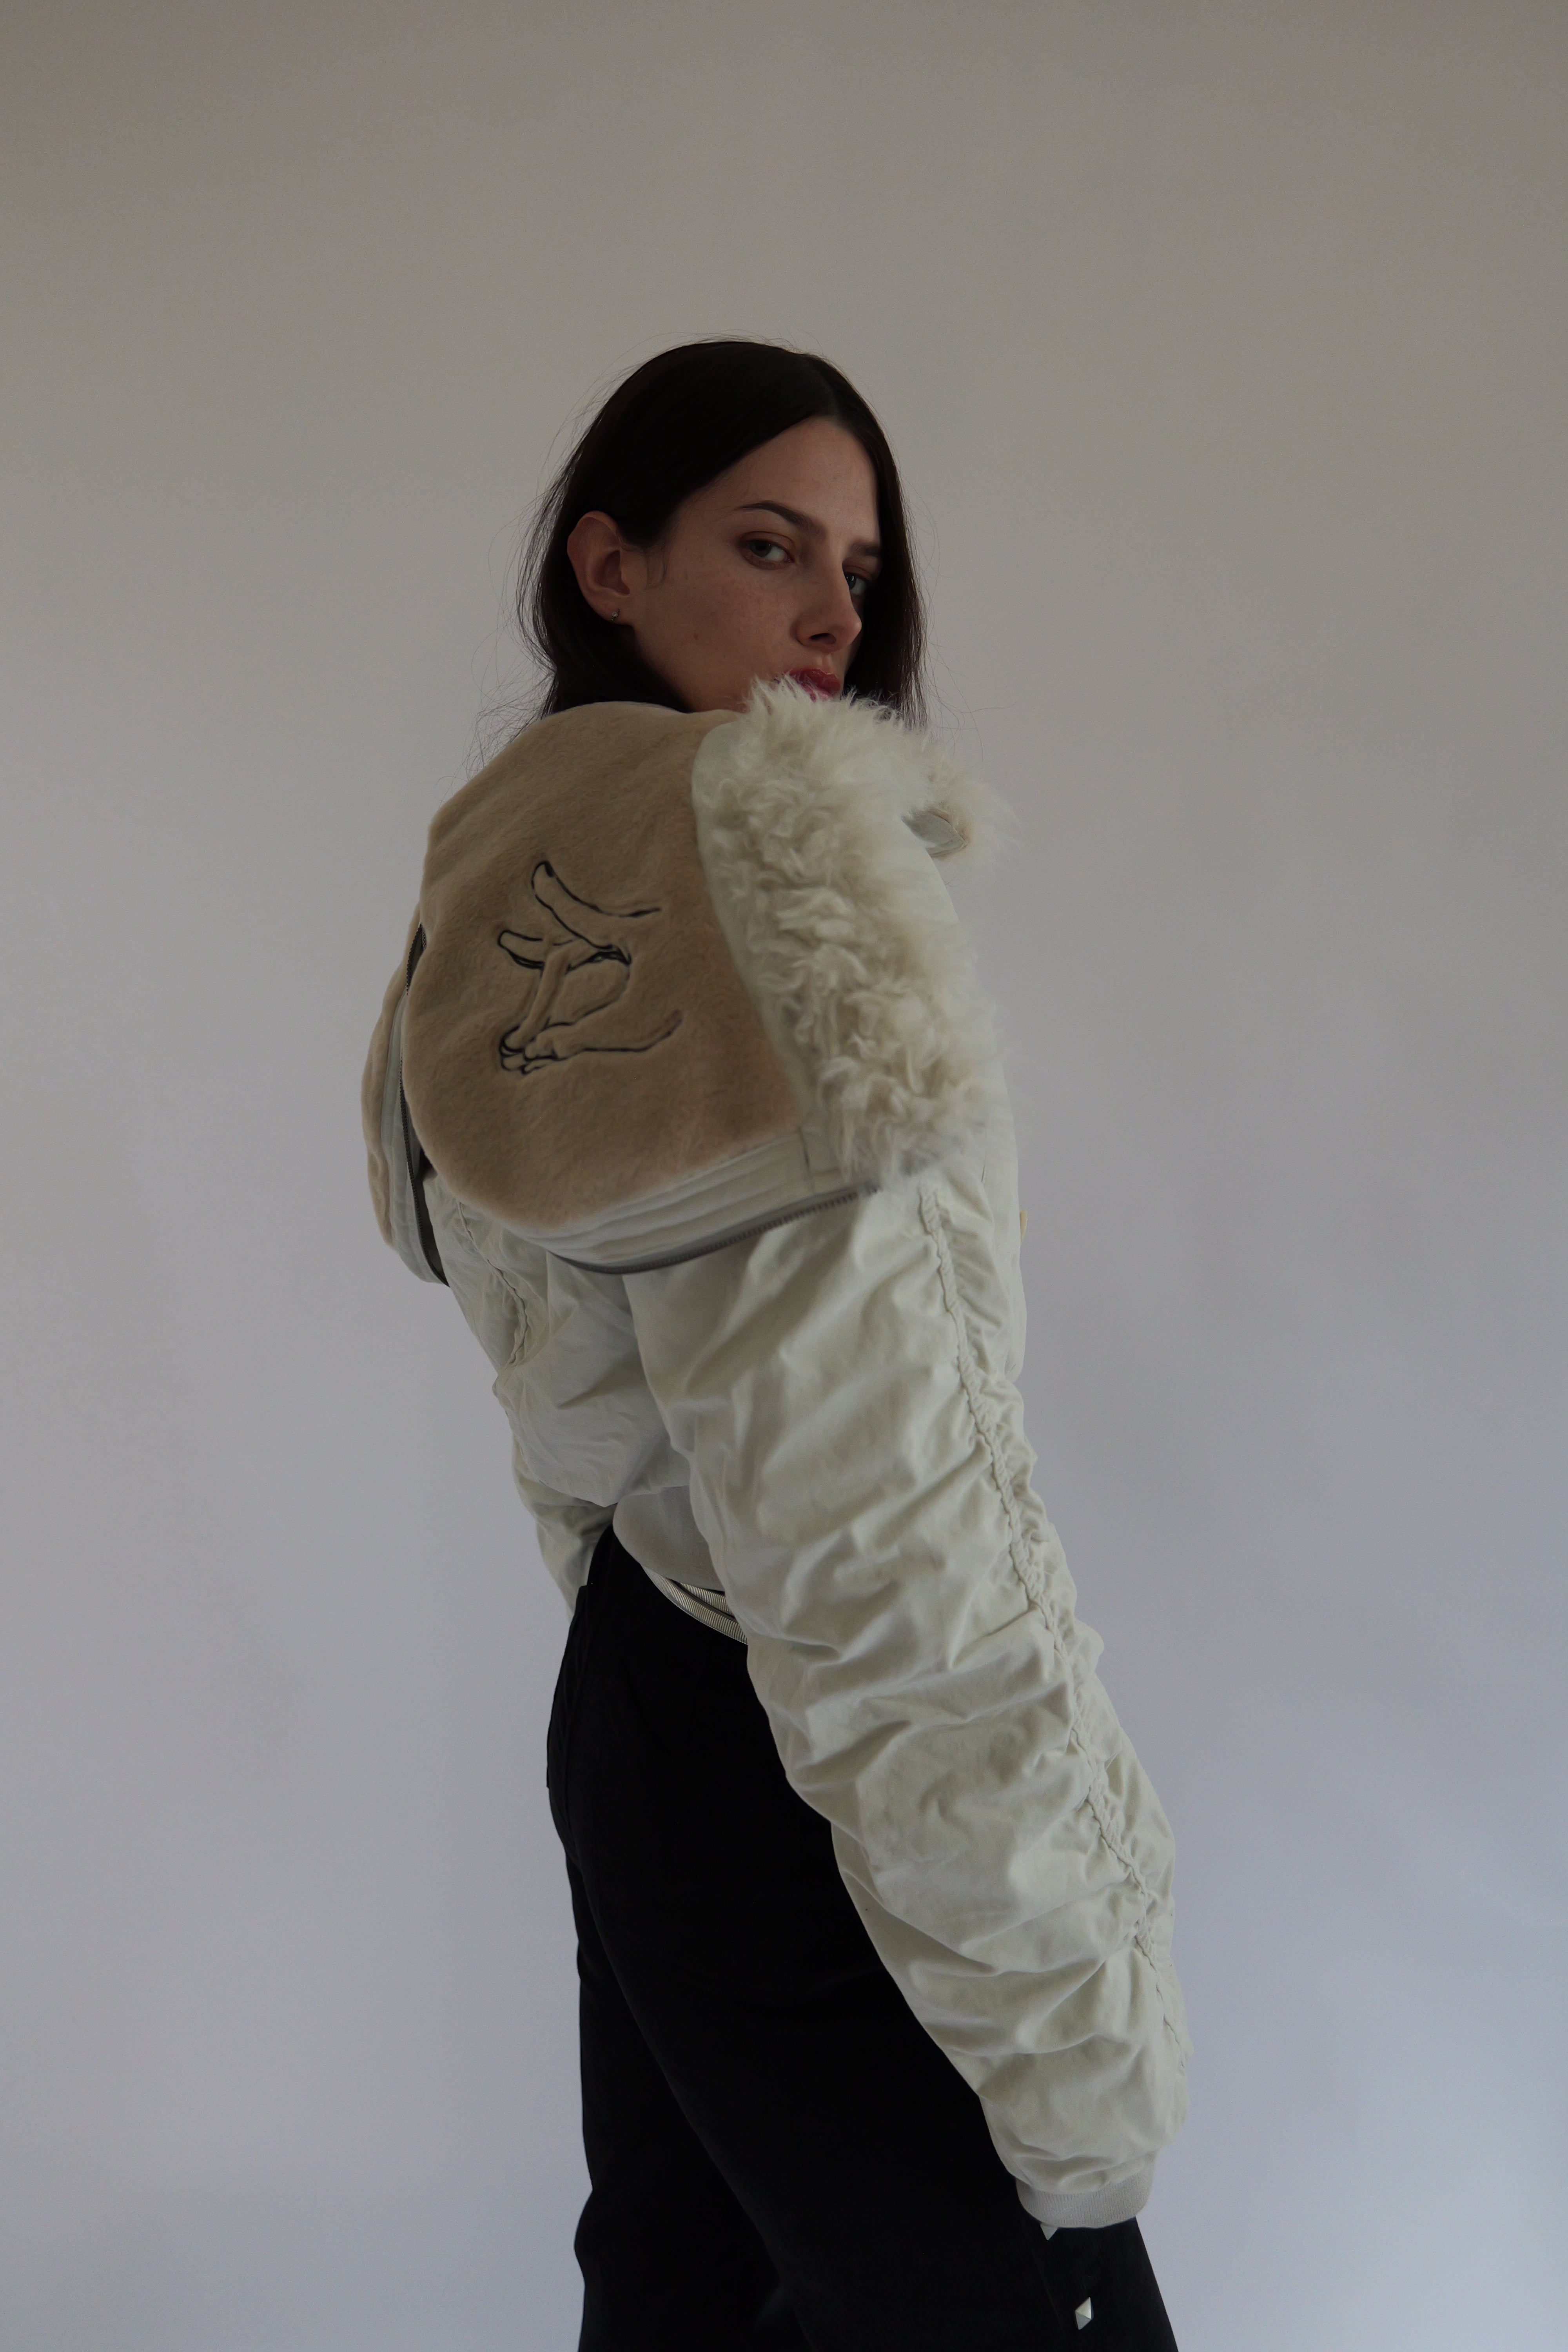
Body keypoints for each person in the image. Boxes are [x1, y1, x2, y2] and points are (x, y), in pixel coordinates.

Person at [362, 340, 1189, 2350]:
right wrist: (1055, 2028)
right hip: (796, 1719)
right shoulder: (759, 847)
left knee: (679, 2294)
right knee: (1024, 2299)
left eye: (858, 567)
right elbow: (868, 1492)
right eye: (767, 545)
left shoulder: (505, 866)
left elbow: (592, 1405)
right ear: (608, 564)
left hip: (645, 1691)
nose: (834, 612)